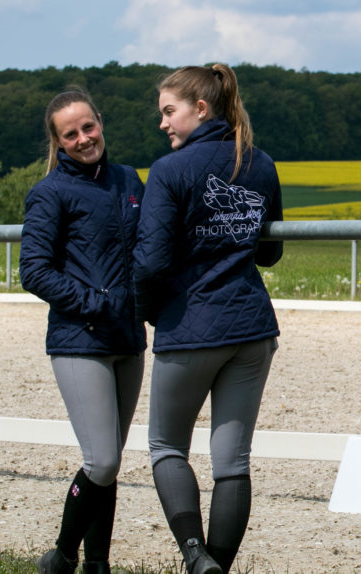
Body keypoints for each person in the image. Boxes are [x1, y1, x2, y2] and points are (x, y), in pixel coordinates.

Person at [134, 63, 283, 574]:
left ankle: (195, 557)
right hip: (252, 329)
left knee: (166, 445)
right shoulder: (260, 163)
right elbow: (270, 254)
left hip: (191, 326)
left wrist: (148, 312)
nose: (163, 124)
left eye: (168, 111)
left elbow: (150, 261)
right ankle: (216, 565)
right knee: (232, 461)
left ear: (200, 109)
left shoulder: (170, 171)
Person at [20, 88, 147, 574]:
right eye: (70, 133)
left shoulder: (128, 180)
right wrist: (94, 302)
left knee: (109, 459)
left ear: (100, 122)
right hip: (80, 340)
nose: (83, 138)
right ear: (58, 142)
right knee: (101, 462)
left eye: (87, 126)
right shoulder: (50, 192)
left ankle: (98, 564)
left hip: (128, 341)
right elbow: (33, 269)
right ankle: (61, 557)